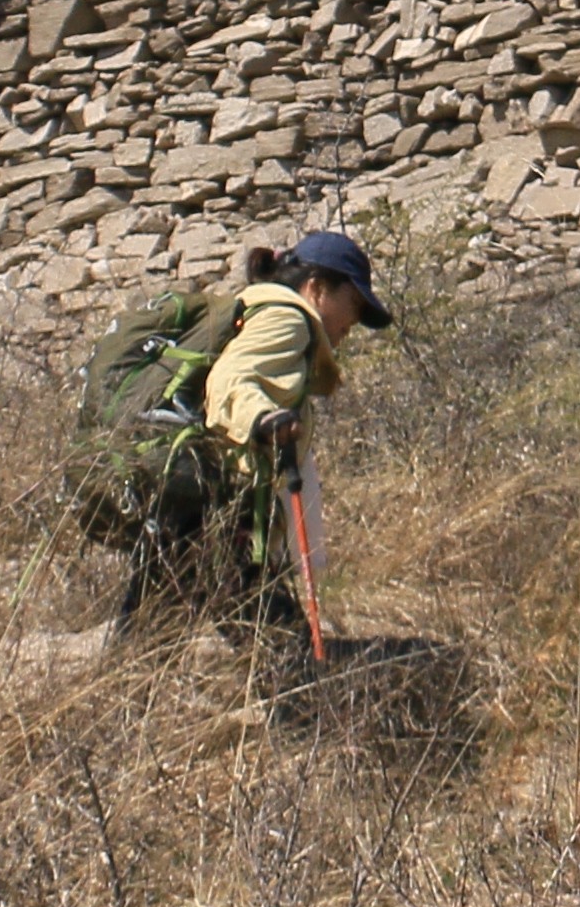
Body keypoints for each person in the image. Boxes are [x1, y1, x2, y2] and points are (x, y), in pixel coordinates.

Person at [126, 228, 391, 688]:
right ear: (317, 287)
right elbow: (231, 380)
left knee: (143, 646)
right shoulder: (288, 318)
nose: (356, 320)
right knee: (281, 647)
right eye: (355, 302)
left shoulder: (255, 311)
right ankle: (318, 743)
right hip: (218, 511)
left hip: (186, 501)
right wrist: (264, 418)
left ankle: (109, 727)